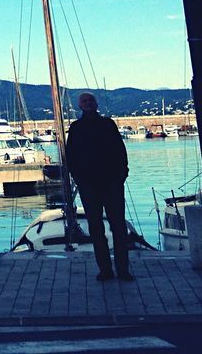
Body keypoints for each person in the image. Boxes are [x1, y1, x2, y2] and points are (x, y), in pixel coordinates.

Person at [65, 91, 132, 281]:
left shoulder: (108, 124)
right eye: (84, 101)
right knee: (96, 229)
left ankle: (123, 269)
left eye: (90, 100)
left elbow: (121, 151)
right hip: (88, 186)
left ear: (95, 104)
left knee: (118, 227)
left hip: (112, 183)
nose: (87, 103)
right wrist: (78, 179)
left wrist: (122, 175)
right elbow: (70, 157)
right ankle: (105, 269)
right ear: (80, 106)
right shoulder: (76, 128)